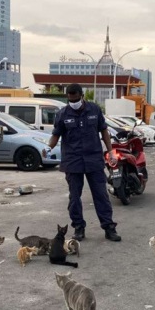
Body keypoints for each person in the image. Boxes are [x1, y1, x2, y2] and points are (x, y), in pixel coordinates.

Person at [48, 84, 121, 242]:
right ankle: (79, 228)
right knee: (74, 197)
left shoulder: (94, 110)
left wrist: (110, 152)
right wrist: (48, 148)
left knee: (101, 195)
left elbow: (104, 131)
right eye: (70, 99)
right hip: (72, 161)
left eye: (76, 99)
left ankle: (109, 228)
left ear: (82, 96)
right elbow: (56, 135)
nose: (73, 102)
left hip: (94, 159)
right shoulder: (62, 113)